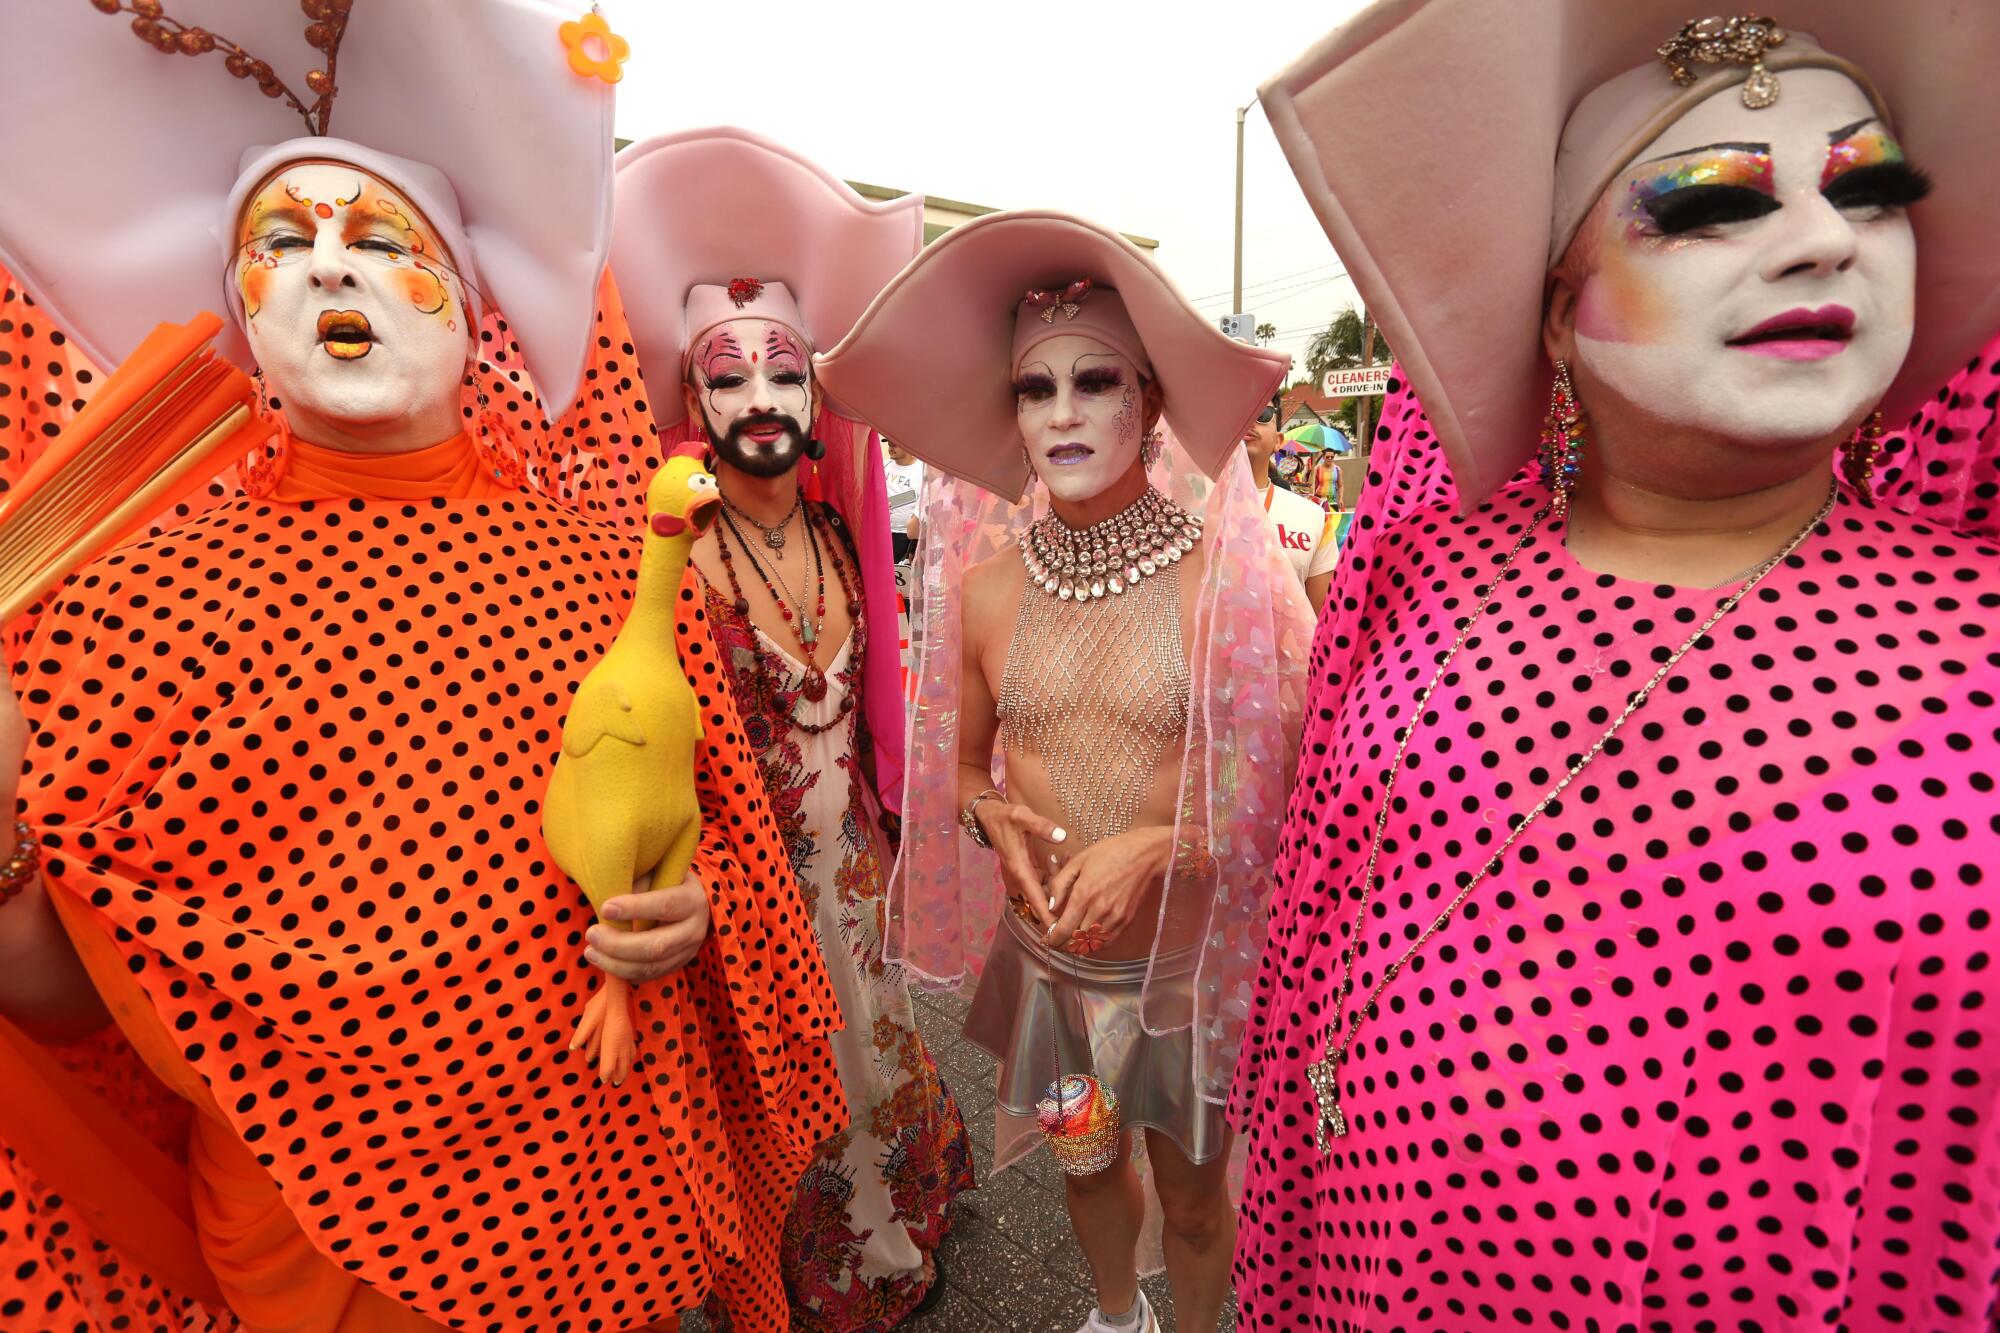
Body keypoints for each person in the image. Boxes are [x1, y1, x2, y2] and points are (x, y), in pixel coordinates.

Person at [0, 8, 845, 1331]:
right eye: (282, 246)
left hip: (598, 1210)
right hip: (320, 1261)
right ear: (241, 314)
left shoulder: (608, 571)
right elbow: (76, 1014)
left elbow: (716, 846)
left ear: (469, 304)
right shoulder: (126, 611)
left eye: (378, 243)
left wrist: (698, 910)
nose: (328, 270)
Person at [1235, 3, 2000, 1327]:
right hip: (1372, 1274)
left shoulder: (1979, 644)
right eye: (1710, 207)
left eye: (1871, 190)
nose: (1826, 238)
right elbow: (1310, 941)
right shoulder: (1425, 573)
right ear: (1556, 317)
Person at [817, 211, 1313, 1333]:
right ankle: (1110, 1317)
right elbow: (948, 767)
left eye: (1094, 380)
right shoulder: (988, 593)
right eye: (1035, 391)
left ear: (1146, 400)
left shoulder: (1225, 584)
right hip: (1048, 979)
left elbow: (1296, 786)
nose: (1064, 413)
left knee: (1190, 1198)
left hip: (1179, 981)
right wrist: (990, 811)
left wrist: (1165, 842)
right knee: (1082, 1160)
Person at [606, 128, 974, 1333]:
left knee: (882, 1055)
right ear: (691, 398)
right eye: (728, 375)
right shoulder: (667, 563)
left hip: (854, 874)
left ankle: (901, 1232)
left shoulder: (835, 538)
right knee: (789, 1093)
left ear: (818, 395)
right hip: (747, 896)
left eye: (782, 371)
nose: (760, 397)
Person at [1241, 390, 1341, 610]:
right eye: (1236, 412)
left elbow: (1320, 622)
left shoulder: (1314, 517)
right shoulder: (1185, 513)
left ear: (1278, 441)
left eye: (1261, 414)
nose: (1247, 420)